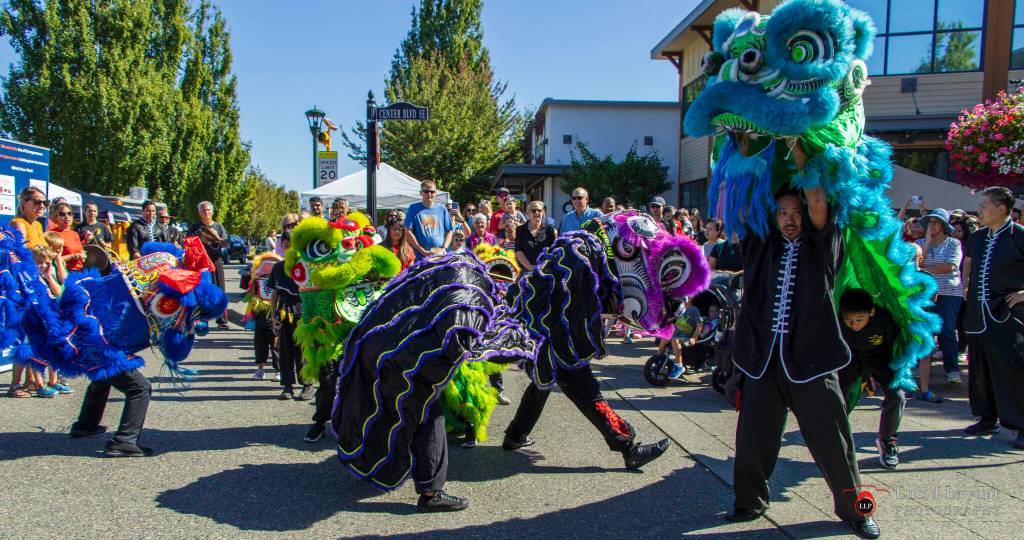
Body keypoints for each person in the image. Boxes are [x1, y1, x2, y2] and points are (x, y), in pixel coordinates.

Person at [726, 180, 877, 538]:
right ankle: (749, 502)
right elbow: (745, 199)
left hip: (814, 361)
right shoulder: (761, 246)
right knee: (752, 440)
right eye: (783, 213)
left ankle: (857, 512)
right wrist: (746, 151)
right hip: (762, 361)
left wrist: (799, 137)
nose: (790, 219)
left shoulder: (823, 244)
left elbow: (819, 199)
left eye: (797, 212)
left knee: (835, 444)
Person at [963, 187, 1024, 450]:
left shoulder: (1019, 235)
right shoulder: (977, 237)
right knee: (980, 367)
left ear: (1001, 208)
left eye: (985, 206)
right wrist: (967, 286)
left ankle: (1020, 423)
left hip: (1007, 312)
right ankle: (987, 416)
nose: (980, 210)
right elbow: (969, 265)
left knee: (1011, 368)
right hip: (979, 312)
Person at [837, 288, 905, 469]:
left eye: (859, 319)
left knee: (896, 396)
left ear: (871, 312)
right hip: (850, 358)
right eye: (848, 320)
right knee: (836, 398)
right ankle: (837, 443)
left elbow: (897, 339)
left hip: (880, 357)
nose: (853, 324)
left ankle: (888, 441)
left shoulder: (884, 320)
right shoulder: (836, 320)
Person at [6, 187, 50, 399]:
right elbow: (19, 255)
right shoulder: (18, 224)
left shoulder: (38, 225)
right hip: (22, 286)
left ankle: (31, 380)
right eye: (37, 202)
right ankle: (15, 384)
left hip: (36, 283)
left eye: (44, 202)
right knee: (23, 336)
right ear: (23, 203)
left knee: (34, 335)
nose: (41, 206)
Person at [916, 208, 963, 386]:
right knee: (924, 331)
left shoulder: (953, 243)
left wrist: (925, 271)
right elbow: (917, 263)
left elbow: (950, 266)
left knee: (948, 330)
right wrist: (927, 241)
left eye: (935, 222)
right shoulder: (920, 242)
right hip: (925, 293)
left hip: (948, 293)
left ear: (944, 225)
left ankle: (952, 369)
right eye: (929, 222)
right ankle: (921, 369)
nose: (931, 226)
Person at [267, 231, 313, 401]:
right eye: (285, 241)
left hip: (302, 312)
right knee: (284, 352)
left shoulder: (307, 266)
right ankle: (287, 387)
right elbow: (274, 294)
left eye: (291, 241)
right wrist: (273, 316)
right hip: (284, 313)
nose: (287, 243)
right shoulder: (278, 267)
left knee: (303, 352)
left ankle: (307, 385)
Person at [188, 201, 230, 329]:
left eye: (208, 210)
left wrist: (217, 236)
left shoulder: (218, 226)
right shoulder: (195, 227)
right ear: (199, 212)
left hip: (216, 261)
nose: (206, 212)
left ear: (212, 212)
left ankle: (221, 319)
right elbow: (188, 243)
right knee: (202, 290)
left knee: (219, 289)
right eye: (203, 210)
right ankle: (201, 319)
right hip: (201, 262)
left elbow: (226, 244)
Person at [404, 180, 454, 260]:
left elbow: (449, 231)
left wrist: (444, 248)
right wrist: (422, 251)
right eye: (426, 191)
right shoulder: (413, 208)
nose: (429, 194)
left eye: (432, 192)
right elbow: (407, 231)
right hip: (419, 256)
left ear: (435, 193)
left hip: (439, 255)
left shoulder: (442, 209)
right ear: (421, 193)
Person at [658, 295, 703, 379]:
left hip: (687, 336)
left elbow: (699, 325)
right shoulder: (680, 308)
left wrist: (694, 338)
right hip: (676, 333)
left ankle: (679, 366)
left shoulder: (694, 310)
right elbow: (673, 318)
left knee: (675, 340)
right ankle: (659, 360)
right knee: (663, 340)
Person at [514, 201, 556, 272]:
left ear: (543, 213)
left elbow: (553, 250)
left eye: (539, 210)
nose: (536, 213)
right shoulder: (520, 229)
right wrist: (531, 267)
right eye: (533, 210)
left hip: (545, 270)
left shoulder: (550, 229)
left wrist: (544, 267)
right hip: (525, 270)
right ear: (528, 213)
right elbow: (518, 251)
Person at [48, 201, 85, 272]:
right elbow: (52, 260)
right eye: (62, 214)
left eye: (69, 213)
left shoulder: (75, 234)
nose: (67, 216)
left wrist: (83, 255)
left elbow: (81, 252)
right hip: (65, 272)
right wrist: (73, 256)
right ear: (56, 217)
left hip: (80, 271)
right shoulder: (53, 234)